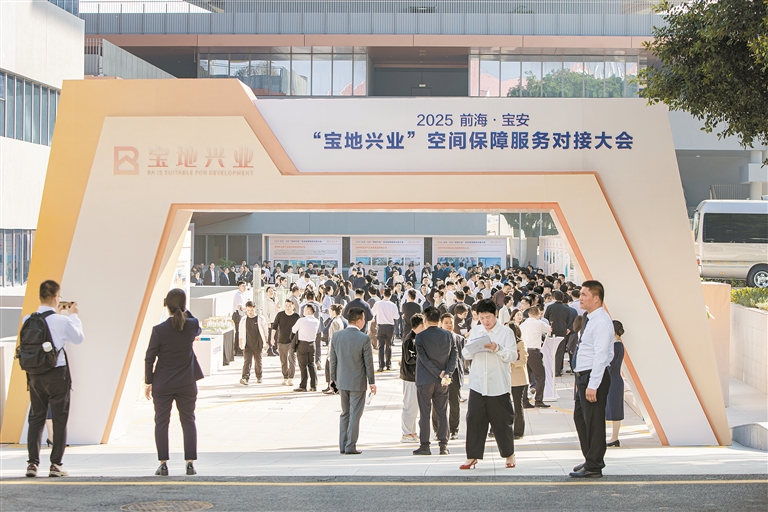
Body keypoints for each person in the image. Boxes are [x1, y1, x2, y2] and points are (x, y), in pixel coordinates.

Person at [22, 280, 85, 478]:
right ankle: (55, 464)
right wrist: (73, 315)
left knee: (36, 417)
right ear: (57, 298)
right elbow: (78, 338)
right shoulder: (62, 321)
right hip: (57, 374)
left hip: (34, 374)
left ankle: (32, 464)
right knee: (59, 418)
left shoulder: (27, 319)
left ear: (40, 296)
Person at [144, 288, 202, 477]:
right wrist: (184, 310)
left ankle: (163, 464)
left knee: (161, 422)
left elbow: (149, 357)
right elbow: (197, 326)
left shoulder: (159, 330)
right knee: (188, 420)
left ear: (166, 305)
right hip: (186, 382)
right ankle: (190, 463)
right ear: (184, 305)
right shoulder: (191, 325)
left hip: (163, 382)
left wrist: (148, 381)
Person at [460, 299, 518, 470]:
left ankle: (509, 455)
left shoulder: (506, 332)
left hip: (498, 384)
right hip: (478, 384)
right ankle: (472, 456)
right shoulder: (476, 331)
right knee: (474, 420)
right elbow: (465, 353)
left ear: (495, 315)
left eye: (488, 317)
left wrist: (497, 348)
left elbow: (513, 356)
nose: (485, 321)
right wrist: (474, 348)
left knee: (502, 422)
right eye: (482, 318)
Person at [570, 280, 615, 478]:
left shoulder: (601, 321)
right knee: (581, 418)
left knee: (594, 422)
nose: (580, 298)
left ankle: (594, 465)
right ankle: (590, 458)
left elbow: (602, 355)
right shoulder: (591, 318)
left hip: (592, 376)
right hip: (583, 376)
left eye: (584, 295)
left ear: (596, 298)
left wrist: (593, 384)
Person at [329, 308, 377, 455]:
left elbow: (333, 360)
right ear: (359, 320)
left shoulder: (337, 336)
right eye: (363, 319)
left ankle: (343, 445)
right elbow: (368, 363)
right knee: (355, 413)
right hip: (358, 381)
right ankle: (351, 445)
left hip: (342, 380)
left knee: (345, 413)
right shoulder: (364, 338)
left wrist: (333, 380)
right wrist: (372, 382)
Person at [413, 306, 457, 456]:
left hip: (425, 379)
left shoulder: (420, 337)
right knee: (442, 412)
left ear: (425, 320)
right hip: (443, 380)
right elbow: (454, 356)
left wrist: (438, 372)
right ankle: (443, 445)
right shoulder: (448, 335)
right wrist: (447, 373)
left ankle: (425, 445)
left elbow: (423, 359)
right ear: (439, 320)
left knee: (425, 413)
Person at [432, 313, 465, 441]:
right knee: (438, 403)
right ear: (440, 323)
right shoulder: (436, 338)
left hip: (454, 375)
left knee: (454, 403)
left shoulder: (459, 339)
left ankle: (454, 430)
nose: (449, 325)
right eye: (446, 322)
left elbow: (461, 357)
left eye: (451, 322)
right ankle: (437, 430)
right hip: (440, 374)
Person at [400, 313, 425, 444]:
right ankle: (406, 433)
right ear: (420, 325)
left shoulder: (415, 337)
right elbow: (409, 358)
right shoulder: (410, 339)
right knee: (409, 405)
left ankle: (412, 431)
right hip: (410, 376)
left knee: (414, 406)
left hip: (414, 376)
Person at [520, 306, 551, 408]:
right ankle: (538, 400)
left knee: (525, 377)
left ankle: (524, 401)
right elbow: (549, 329)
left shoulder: (522, 325)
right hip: (534, 351)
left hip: (524, 351)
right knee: (540, 376)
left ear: (529, 314)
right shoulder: (539, 323)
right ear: (538, 314)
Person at [545, 290, 577, 377]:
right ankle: (557, 370)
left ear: (554, 297)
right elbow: (568, 320)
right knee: (560, 351)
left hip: (551, 330)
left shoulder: (550, 307)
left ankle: (551, 369)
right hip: (563, 331)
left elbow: (546, 318)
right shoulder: (566, 308)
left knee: (551, 350)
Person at [292, 304, 321, 392]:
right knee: (311, 364)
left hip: (302, 344)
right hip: (312, 344)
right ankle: (314, 385)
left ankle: (303, 385)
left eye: (304, 309)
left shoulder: (302, 320)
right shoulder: (317, 321)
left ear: (308, 310)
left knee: (303, 365)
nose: (303, 311)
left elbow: (293, 329)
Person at [238, 301, 269, 385]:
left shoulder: (261, 319)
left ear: (254, 309)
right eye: (248, 310)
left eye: (251, 310)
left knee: (258, 361)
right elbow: (240, 331)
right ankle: (245, 378)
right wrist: (240, 341)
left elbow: (265, 331)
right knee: (247, 362)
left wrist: (266, 342)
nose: (250, 312)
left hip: (258, 344)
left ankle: (259, 376)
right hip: (247, 344)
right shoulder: (243, 320)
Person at [606, 320, 626, 447]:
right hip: (615, 379)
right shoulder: (618, 345)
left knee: (614, 410)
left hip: (612, 380)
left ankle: (614, 437)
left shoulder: (615, 346)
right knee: (614, 409)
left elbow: (610, 365)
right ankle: (614, 437)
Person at [508, 323, 529, 438]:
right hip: (505, 378)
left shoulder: (521, 344)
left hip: (518, 378)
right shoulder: (503, 344)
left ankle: (518, 432)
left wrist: (510, 361)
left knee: (517, 405)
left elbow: (523, 361)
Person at [371, 288, 400, 372]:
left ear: (383, 294)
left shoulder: (378, 303)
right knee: (388, 346)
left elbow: (372, 313)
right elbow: (396, 317)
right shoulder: (393, 305)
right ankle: (388, 364)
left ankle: (381, 365)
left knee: (380, 346)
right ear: (390, 295)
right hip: (390, 327)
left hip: (380, 326)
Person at [272, 300, 299, 386]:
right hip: (281, 341)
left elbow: (299, 329)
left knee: (292, 359)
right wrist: (272, 338)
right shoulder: (280, 315)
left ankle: (291, 378)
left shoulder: (296, 316)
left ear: (293, 306)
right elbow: (274, 327)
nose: (288, 307)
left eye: (290, 306)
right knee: (283, 361)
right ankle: (285, 377)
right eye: (286, 305)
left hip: (292, 342)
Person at [322, 304, 345, 394]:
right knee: (330, 367)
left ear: (334, 312)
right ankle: (331, 387)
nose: (329, 313)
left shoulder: (335, 322)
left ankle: (333, 388)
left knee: (331, 368)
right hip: (336, 346)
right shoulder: (338, 320)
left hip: (334, 346)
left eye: (330, 311)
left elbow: (334, 336)